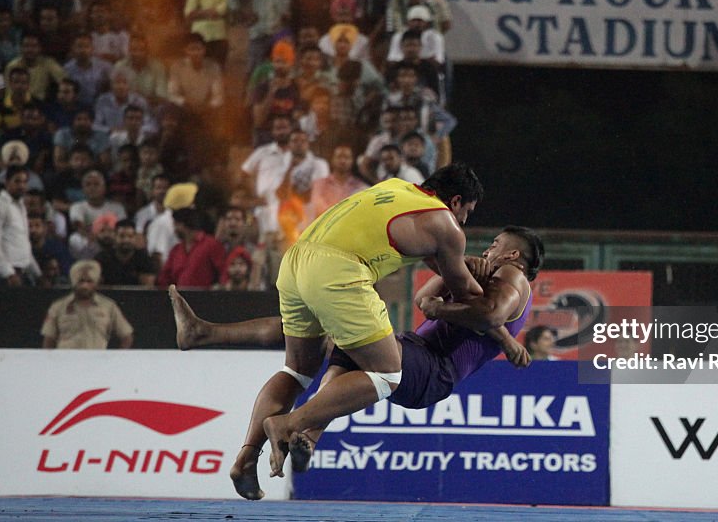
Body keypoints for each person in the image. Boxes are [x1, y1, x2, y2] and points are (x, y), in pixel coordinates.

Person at [170, 225, 541, 497]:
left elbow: (491, 313)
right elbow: (424, 299)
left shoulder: (514, 276)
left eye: (496, 245)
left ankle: (289, 422)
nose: (489, 249)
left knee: (337, 348)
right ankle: (305, 436)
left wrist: (451, 312)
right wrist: (450, 278)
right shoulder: (477, 278)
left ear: (513, 255)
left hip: (434, 371)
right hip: (415, 350)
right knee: (340, 346)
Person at [226, 164, 484, 493]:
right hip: (337, 271)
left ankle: (246, 460)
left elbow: (439, 262)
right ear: (457, 201)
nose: (464, 221)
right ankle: (290, 424)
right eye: (468, 213)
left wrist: (462, 260)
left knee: (298, 370)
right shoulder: (446, 223)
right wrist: (499, 316)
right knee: (388, 374)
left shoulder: (397, 189)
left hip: (295, 263)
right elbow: (465, 290)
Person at [41, 259, 134, 350]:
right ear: (73, 283)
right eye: (81, 281)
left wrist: (117, 359)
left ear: (96, 283)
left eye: (89, 281)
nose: (84, 286)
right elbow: (49, 340)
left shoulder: (109, 306)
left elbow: (126, 336)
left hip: (97, 362)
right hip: (66, 362)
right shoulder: (58, 306)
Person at [0, 163, 38, 285]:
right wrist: (8, 273)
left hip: (21, 272)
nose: (22, 186)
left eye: (24, 182)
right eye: (17, 181)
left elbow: (24, 243)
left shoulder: (20, 206)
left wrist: (37, 274)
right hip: (4, 274)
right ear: (7, 182)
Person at [157, 206, 225, 289]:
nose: (174, 229)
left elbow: (223, 271)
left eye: (176, 224)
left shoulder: (211, 244)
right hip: (180, 299)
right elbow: (165, 278)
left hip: (205, 298)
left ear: (183, 224)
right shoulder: (176, 250)